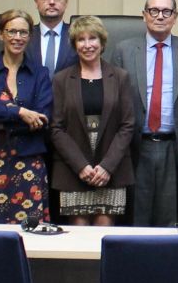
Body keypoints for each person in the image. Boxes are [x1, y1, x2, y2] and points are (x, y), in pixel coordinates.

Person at [113, 0, 178, 228]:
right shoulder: (124, 50)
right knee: (136, 218)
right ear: (144, 15)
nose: (160, 16)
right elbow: (113, 103)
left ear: (175, 17)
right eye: (154, 10)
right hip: (135, 146)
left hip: (173, 146)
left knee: (168, 218)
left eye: (166, 11)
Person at [0, 9, 53, 227]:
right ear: (1, 35)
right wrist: (20, 113)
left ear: (30, 37)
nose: (17, 37)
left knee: (31, 233)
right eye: (12, 31)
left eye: (23, 32)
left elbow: (43, 118)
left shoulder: (40, 74)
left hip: (28, 164)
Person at [49, 15, 137, 227]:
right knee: (79, 238)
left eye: (93, 39)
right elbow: (56, 128)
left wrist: (107, 166)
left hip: (111, 169)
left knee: (104, 235)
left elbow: (127, 125)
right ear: (74, 45)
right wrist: (81, 166)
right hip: (74, 170)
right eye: (81, 40)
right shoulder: (61, 79)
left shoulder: (120, 77)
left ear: (102, 42)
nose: (87, 45)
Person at [24, 0, 77, 75]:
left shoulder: (78, 36)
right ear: (36, 3)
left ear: (66, 1)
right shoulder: (24, 36)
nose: (52, 2)